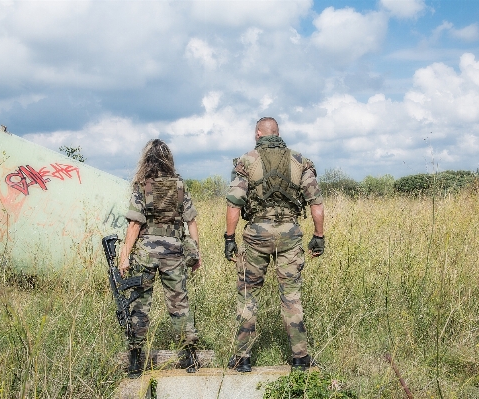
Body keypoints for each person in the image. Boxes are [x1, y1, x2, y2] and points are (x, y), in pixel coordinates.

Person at [224, 117, 325, 372]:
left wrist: (229, 238)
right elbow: (316, 203)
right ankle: (300, 358)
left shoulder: (246, 161)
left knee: (248, 296)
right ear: (277, 133)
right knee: (291, 296)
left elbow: (234, 203)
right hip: (290, 234)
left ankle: (242, 359)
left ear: (258, 134)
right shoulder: (300, 161)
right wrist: (319, 236)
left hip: (256, 234)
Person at [118, 139, 201, 378]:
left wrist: (124, 256)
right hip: (174, 252)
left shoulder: (143, 186)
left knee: (139, 305)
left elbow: (135, 224)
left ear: (147, 160)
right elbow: (191, 221)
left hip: (146, 253)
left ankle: (135, 360)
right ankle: (190, 358)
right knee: (179, 305)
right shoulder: (179, 186)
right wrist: (196, 253)